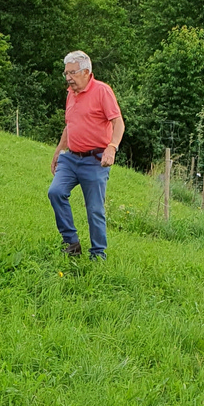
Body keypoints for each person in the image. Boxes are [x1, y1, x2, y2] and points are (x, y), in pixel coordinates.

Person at [48, 50, 125, 260]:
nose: (68, 78)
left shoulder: (102, 91)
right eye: (66, 73)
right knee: (55, 192)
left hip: (94, 160)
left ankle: (98, 253)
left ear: (86, 72)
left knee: (94, 209)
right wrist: (59, 150)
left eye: (72, 73)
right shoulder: (70, 94)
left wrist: (112, 147)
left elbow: (118, 122)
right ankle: (71, 242)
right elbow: (70, 125)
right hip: (71, 158)